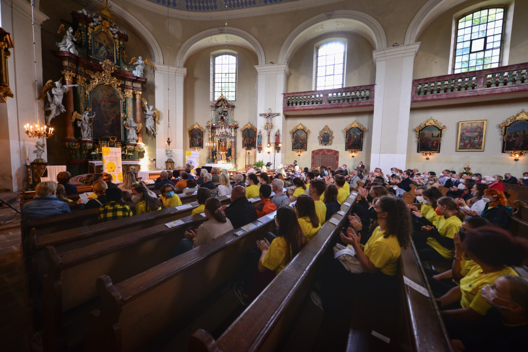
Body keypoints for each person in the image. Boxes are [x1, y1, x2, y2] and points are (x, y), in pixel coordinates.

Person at [314, 196, 412, 346]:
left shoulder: (386, 242)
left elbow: (370, 268)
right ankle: (329, 300)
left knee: (333, 273)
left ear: (384, 214)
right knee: (331, 266)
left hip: (378, 283)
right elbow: (369, 250)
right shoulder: (381, 229)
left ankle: (329, 311)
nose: (373, 209)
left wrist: (354, 245)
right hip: (373, 273)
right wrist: (356, 243)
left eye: (376, 207)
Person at [438, 226, 528, 325]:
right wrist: (439, 303)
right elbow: (461, 288)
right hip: (461, 304)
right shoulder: (483, 265)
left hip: (471, 320)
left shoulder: (497, 281)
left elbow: (470, 315)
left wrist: (438, 313)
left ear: (477, 255)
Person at [234, 206, 307, 305]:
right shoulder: (299, 234)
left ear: (280, 221)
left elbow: (261, 268)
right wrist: (269, 248)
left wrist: (264, 250)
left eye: (277, 217)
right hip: (288, 265)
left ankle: (246, 294)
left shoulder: (279, 242)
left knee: (251, 255)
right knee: (258, 248)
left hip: (278, 275)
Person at [450, 275, 528, 352]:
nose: (488, 287)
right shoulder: (496, 312)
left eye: (495, 288)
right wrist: (463, 344)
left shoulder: (521, 341)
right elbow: (483, 339)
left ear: (514, 307)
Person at [426, 217, 490, 297]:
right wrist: (438, 276)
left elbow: (457, 277)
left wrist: (458, 252)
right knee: (423, 272)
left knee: (426, 284)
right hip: (455, 280)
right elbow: (459, 269)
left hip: (460, 289)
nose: (460, 232)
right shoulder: (468, 246)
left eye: (464, 230)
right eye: (461, 229)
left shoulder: (479, 256)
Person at [415, 197, 464, 262]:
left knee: (415, 256)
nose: (436, 208)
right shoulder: (442, 217)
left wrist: (432, 232)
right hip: (433, 243)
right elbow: (437, 230)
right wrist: (429, 230)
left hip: (443, 252)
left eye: (438, 205)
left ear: (444, 207)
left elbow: (449, 245)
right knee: (413, 248)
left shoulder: (454, 223)